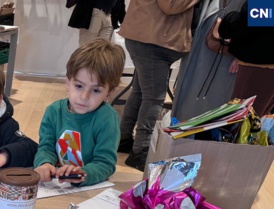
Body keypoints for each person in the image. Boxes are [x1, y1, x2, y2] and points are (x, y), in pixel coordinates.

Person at [118, 0, 199, 170]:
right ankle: (140, 151)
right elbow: (170, 5)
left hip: (149, 38)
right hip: (152, 42)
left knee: (141, 92)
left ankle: (123, 139)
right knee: (154, 98)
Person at [34, 39, 124, 186]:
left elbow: (105, 163)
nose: (84, 97)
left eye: (96, 90)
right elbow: (45, 147)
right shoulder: (53, 111)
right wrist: (44, 163)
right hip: (56, 186)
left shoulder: (107, 118)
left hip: (89, 188)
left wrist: (83, 174)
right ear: (68, 83)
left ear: (109, 93)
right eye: (79, 86)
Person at [217, 0, 274, 117]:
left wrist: (226, 23)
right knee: (253, 120)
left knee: (241, 121)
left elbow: (249, 21)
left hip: (259, 66)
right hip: (265, 65)